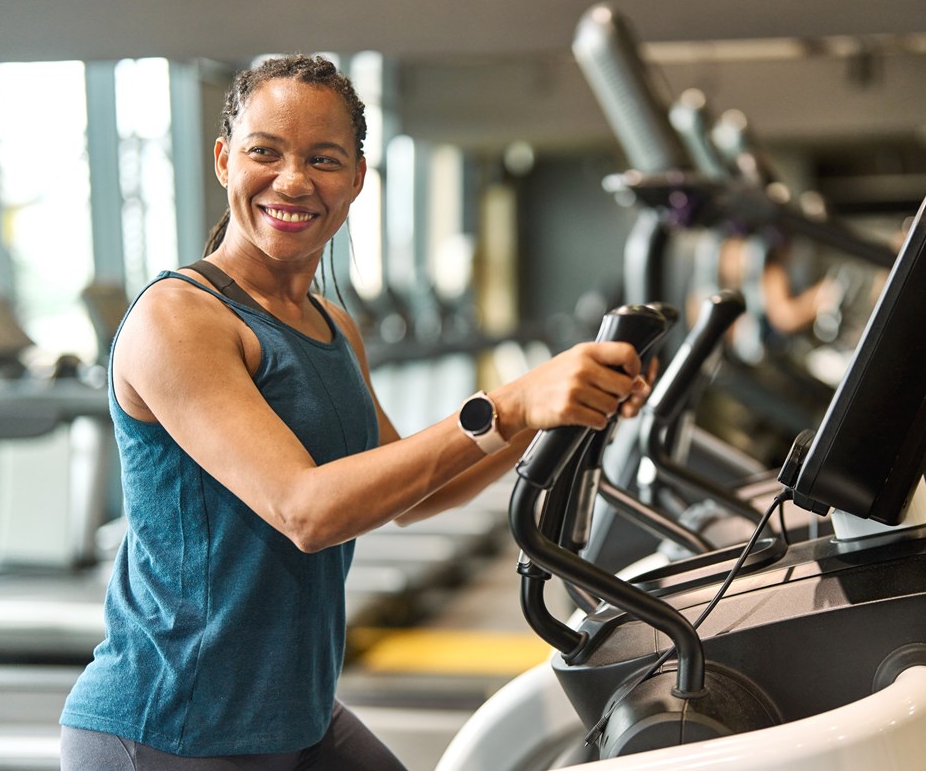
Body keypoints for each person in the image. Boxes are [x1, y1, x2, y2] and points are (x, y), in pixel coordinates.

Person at [59, 54, 652, 770]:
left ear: (357, 179)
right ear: (223, 160)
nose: (293, 180)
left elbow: (416, 492)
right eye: (264, 152)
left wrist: (555, 408)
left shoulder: (335, 326)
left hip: (296, 716)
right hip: (171, 726)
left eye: (323, 159)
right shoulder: (180, 318)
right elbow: (306, 511)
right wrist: (514, 399)